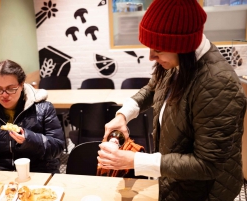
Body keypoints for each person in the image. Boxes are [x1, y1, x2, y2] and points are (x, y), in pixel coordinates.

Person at [97, 0, 246, 201]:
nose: (151, 57)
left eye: (157, 50)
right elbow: (153, 87)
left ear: (182, 46)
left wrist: (137, 161)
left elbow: (207, 164)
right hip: (177, 181)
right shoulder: (180, 61)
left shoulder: (218, 83)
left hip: (206, 192)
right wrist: (124, 114)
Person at [0, 59, 65, 174]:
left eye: (11, 88)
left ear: (21, 84)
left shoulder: (43, 108)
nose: (4, 95)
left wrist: (29, 139)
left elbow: (58, 147)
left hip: (37, 172)